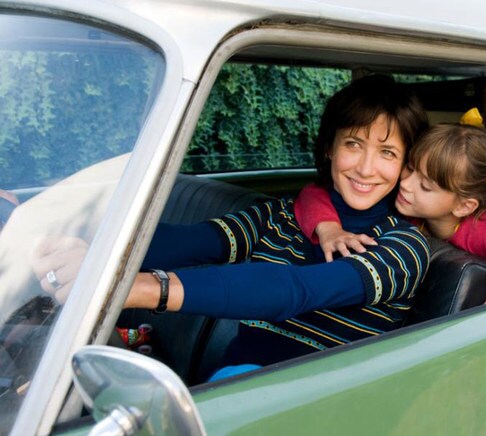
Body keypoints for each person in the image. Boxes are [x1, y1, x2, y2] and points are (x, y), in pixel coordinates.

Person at [32, 74, 431, 374]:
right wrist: (88, 242)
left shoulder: (403, 248)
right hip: (236, 384)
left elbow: (296, 289)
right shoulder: (280, 214)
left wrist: (135, 288)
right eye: (353, 144)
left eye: (387, 153)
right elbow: (196, 241)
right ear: (330, 148)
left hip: (322, 406)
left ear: (405, 165)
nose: (365, 167)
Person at [294, 121, 486, 301]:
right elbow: (314, 193)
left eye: (426, 185)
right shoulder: (409, 200)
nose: (405, 184)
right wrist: (328, 227)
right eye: (410, 167)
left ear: (463, 206)